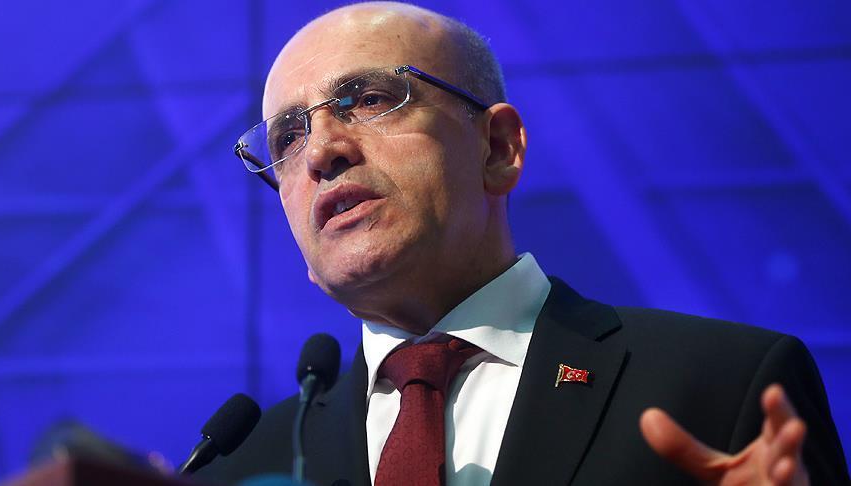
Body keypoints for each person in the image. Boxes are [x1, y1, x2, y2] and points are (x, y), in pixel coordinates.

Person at [199, 2, 849, 485]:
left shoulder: (722, 386)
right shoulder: (245, 465)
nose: (321, 151)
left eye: (368, 99)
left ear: (498, 148)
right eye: (287, 137)